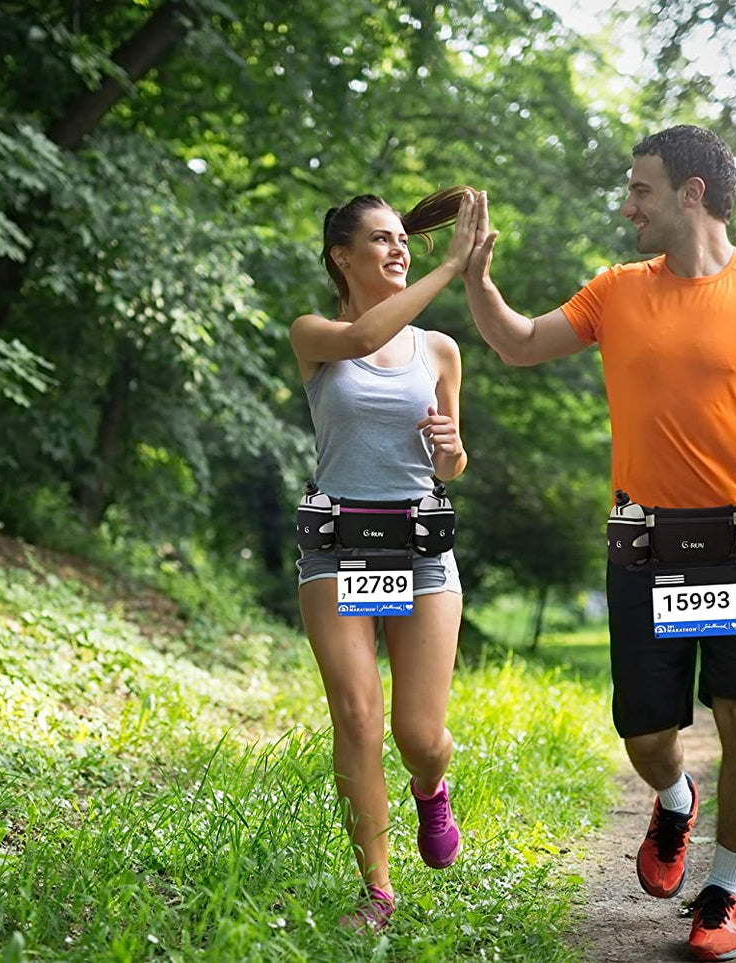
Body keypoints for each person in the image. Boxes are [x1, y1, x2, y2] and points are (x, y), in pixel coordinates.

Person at [462, 126, 736, 960]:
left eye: (640, 189)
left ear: (691, 194)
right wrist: (476, 280)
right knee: (646, 735)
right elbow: (519, 343)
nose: (626, 205)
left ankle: (722, 891)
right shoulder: (615, 291)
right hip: (645, 544)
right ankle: (672, 797)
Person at [289, 186, 478, 932]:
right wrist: (453, 264)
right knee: (357, 715)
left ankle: (432, 788)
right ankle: (376, 890)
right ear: (341, 255)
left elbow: (453, 461)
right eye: (381, 239)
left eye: (404, 238)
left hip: (420, 549)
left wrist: (451, 451)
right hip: (336, 547)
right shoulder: (314, 333)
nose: (399, 249)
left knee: (416, 735)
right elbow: (365, 337)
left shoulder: (439, 350)